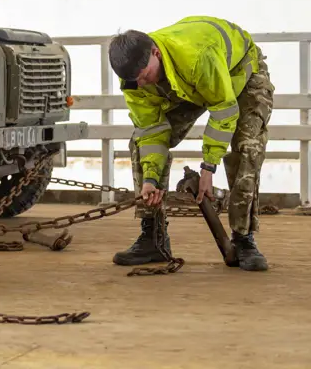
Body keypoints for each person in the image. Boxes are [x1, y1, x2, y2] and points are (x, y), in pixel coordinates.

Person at [107, 16, 274, 272]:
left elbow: (222, 110)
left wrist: (208, 168)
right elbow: (152, 131)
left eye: (144, 76)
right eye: (135, 80)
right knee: (140, 143)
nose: (140, 84)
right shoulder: (134, 80)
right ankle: (153, 237)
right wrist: (150, 179)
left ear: (155, 53)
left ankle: (243, 239)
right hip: (189, 83)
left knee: (248, 149)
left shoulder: (198, 56)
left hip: (240, 74)